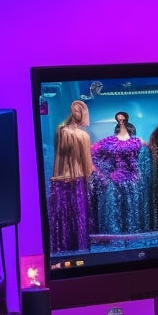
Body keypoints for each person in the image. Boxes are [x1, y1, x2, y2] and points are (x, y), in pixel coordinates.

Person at [90, 110, 150, 234]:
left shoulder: (136, 141)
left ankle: (130, 235)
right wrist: (102, 174)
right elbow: (93, 151)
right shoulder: (111, 141)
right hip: (118, 181)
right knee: (117, 211)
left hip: (130, 181)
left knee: (130, 210)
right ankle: (119, 237)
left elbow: (137, 161)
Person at [49, 100, 95, 252]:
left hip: (79, 177)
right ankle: (65, 246)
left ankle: (79, 245)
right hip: (66, 176)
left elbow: (86, 159)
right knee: (66, 212)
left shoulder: (84, 135)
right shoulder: (63, 131)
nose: (76, 113)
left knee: (79, 212)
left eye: (79, 111)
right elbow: (62, 150)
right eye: (74, 110)